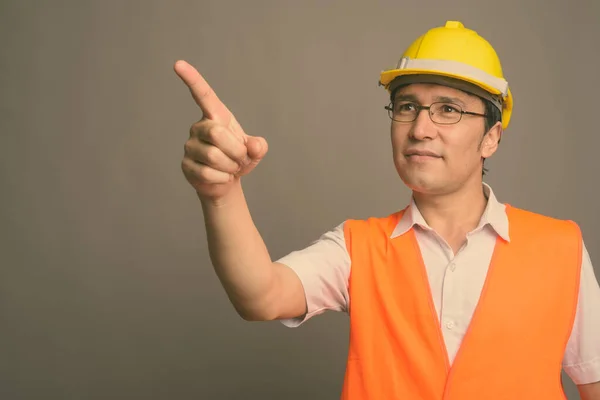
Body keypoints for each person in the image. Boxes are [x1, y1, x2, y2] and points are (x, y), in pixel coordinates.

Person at [174, 20, 600, 400]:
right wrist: (222, 193)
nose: (420, 128)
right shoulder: (357, 247)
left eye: (448, 109)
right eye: (407, 106)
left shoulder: (560, 247)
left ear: (491, 137)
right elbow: (260, 296)